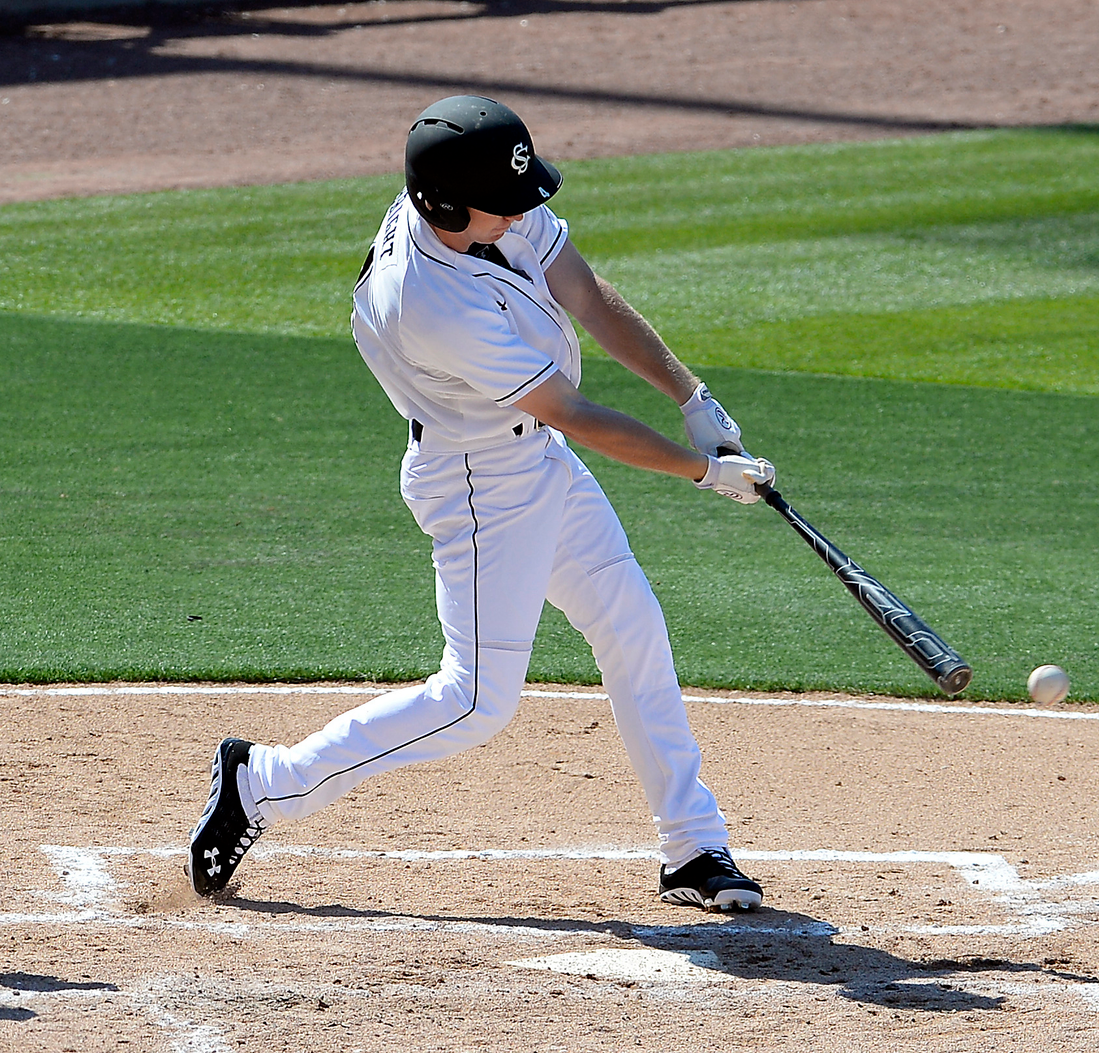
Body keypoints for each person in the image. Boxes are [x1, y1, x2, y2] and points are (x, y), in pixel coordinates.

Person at [186, 95, 775, 913]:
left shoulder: (480, 204)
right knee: (473, 701)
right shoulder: (430, 301)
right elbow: (572, 410)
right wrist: (701, 472)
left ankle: (692, 844)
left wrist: (691, 395)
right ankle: (263, 782)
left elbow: (586, 294)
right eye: (506, 203)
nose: (525, 213)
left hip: (534, 458)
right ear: (447, 206)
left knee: (631, 624)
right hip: (479, 483)